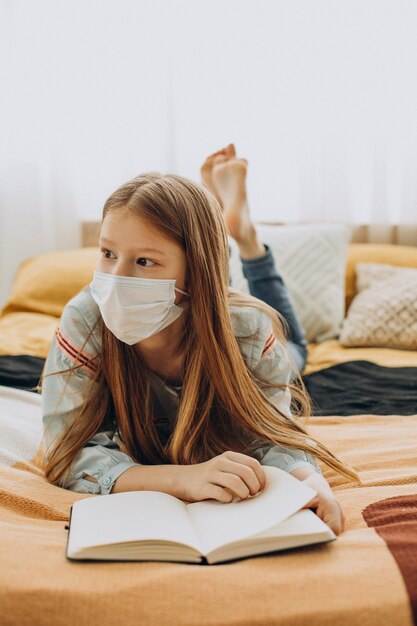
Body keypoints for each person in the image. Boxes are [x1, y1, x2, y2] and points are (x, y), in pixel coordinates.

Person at [41, 164, 358, 536]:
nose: (117, 279)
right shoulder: (85, 318)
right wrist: (184, 479)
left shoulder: (249, 331)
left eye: (145, 261)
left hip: (244, 331)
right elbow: (65, 454)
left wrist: (308, 481)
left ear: (198, 269)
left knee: (297, 352)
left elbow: (273, 432)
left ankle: (246, 237)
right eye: (108, 253)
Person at [200, 143, 308, 374]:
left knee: (215, 322)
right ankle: (248, 241)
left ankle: (215, 236)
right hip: (254, 368)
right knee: (292, 345)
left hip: (207, 350)